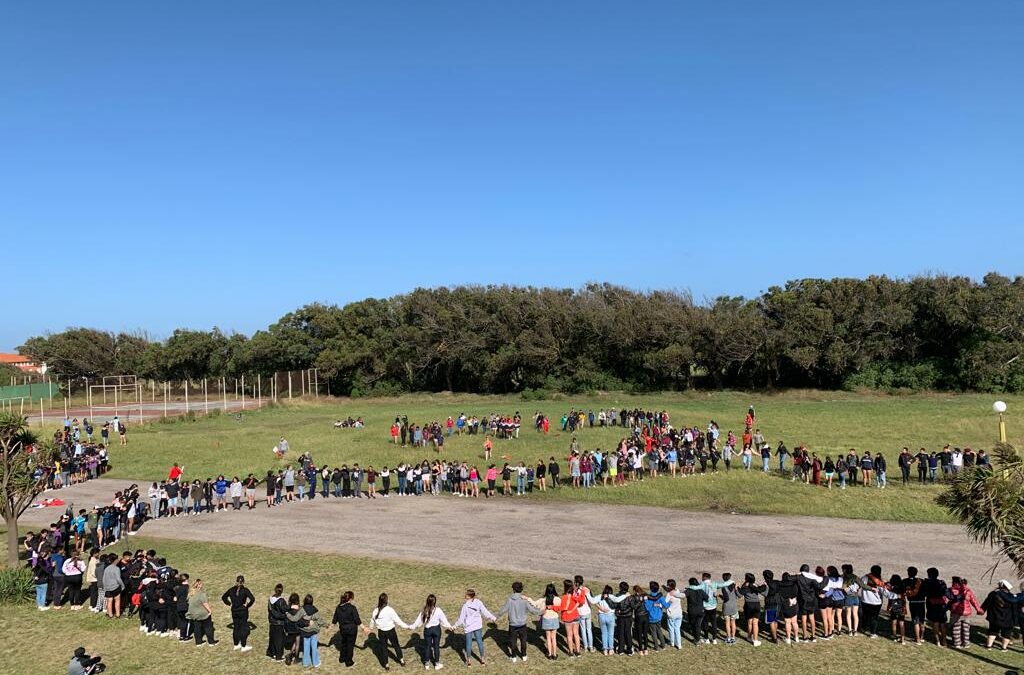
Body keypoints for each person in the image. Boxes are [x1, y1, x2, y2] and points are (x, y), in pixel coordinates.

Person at [494, 581, 541, 663]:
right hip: (522, 625)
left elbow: (503, 610)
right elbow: (533, 610)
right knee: (523, 641)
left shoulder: (510, 600)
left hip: (513, 625)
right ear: (521, 589)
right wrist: (542, 611)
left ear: (513, 589)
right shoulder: (524, 600)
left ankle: (514, 656)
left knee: (513, 641)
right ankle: (524, 655)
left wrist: (495, 617)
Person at [407, 593, 453, 669]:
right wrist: (449, 627)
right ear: (435, 602)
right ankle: (437, 664)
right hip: (436, 630)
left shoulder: (424, 610)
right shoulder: (438, 610)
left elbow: (418, 622)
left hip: (427, 630)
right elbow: (444, 620)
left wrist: (411, 627)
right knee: (436, 647)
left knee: (427, 647)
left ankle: (427, 664)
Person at [452, 588, 496, 665]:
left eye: (466, 594)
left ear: (469, 596)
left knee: (468, 644)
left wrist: (455, 626)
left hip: (469, 627)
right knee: (480, 642)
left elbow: (461, 619)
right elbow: (485, 612)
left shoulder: (465, 606)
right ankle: (482, 659)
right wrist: (492, 617)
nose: (465, 595)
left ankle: (468, 660)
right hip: (478, 626)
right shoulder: (478, 602)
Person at [370, 592, 410, 669]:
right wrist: (406, 626)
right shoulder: (390, 610)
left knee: (384, 648)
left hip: (381, 632)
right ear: (386, 600)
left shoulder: (375, 611)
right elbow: (398, 621)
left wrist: (371, 628)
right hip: (391, 631)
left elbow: (372, 620)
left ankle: (386, 665)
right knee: (396, 645)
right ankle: (401, 660)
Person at [332, 591, 371, 667]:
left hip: (343, 630)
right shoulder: (352, 608)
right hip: (351, 631)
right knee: (350, 645)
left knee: (344, 643)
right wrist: (364, 628)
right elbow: (357, 620)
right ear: (350, 599)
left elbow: (335, 619)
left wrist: (330, 626)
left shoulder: (338, 607)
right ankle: (349, 662)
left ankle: (342, 658)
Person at [289, 594, 327, 668]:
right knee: (314, 647)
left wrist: (287, 614)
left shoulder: (302, 610)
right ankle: (316, 663)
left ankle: (305, 663)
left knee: (306, 647)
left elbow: (295, 618)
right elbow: (320, 621)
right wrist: (327, 625)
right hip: (313, 631)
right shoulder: (315, 610)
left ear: (305, 601)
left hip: (305, 631)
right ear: (312, 601)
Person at [981, 580, 1020, 652]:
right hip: (1008, 620)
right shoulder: (1012, 597)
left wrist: (981, 610)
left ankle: (989, 646)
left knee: (992, 631)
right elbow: (1015, 609)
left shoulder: (993, 594)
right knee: (1006, 634)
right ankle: (1004, 648)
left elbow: (986, 603)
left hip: (994, 618)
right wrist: (1015, 621)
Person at [221, 575, 255, 652]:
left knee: (236, 627)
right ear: (243, 582)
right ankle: (243, 646)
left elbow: (223, 597)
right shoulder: (245, 590)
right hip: (243, 611)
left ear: (236, 581)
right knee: (243, 628)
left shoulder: (231, 590)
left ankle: (236, 644)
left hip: (234, 611)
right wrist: (247, 605)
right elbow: (252, 599)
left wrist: (229, 604)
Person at [948, 576, 983, 649]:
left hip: (956, 612)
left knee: (956, 628)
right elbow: (974, 601)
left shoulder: (952, 590)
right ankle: (966, 643)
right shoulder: (968, 591)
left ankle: (957, 643)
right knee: (966, 629)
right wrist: (978, 610)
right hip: (966, 613)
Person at [186, 579, 217, 646]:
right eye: (201, 584)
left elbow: (189, 603)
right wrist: (210, 611)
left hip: (193, 614)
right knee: (208, 627)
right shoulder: (201, 594)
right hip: (202, 613)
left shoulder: (190, 594)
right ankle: (211, 642)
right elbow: (205, 603)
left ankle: (198, 642)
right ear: (199, 585)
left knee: (197, 627)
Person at [737, 573, 766, 646]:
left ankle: (749, 636)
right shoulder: (755, 586)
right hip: (756, 604)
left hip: (748, 605)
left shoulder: (745, 587)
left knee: (750, 622)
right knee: (755, 623)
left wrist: (737, 587)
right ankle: (755, 640)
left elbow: (740, 595)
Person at [267, 583, 289, 661]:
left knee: (272, 639)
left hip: (272, 623)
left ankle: (272, 653)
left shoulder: (270, 600)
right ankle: (278, 656)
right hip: (279, 623)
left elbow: (270, 612)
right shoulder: (281, 601)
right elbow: (284, 610)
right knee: (279, 640)